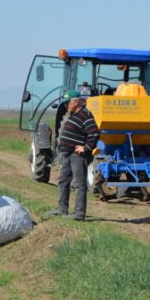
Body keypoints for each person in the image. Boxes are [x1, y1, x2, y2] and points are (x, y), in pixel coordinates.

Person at [48, 90, 99, 221]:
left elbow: (94, 133)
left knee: (79, 184)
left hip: (76, 155)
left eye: (67, 103)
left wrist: (86, 148)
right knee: (63, 180)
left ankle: (79, 214)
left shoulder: (85, 115)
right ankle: (62, 208)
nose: (66, 106)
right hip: (67, 154)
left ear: (75, 102)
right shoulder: (74, 114)